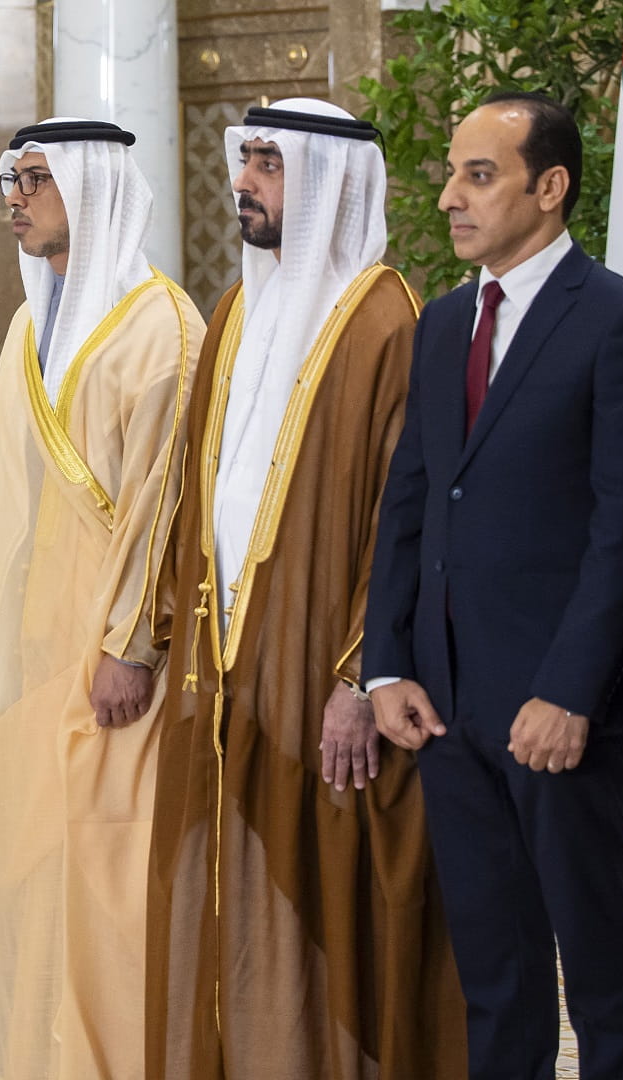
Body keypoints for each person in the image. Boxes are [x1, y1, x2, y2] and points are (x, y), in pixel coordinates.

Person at [145, 99, 466, 1080]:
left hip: (321, 673)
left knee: (326, 892)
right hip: (225, 666)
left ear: (327, 179)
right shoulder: (236, 311)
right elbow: (193, 490)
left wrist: (361, 675)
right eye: (244, 160)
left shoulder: (383, 322)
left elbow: (406, 524)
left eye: (268, 164)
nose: (243, 182)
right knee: (224, 881)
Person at [364, 92, 623, 1080]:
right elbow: (411, 502)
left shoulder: (620, 318)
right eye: (452, 174)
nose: (450, 197)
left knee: (599, 959)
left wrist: (571, 692)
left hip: (555, 711)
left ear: (550, 186)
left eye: (478, 176)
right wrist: (386, 666)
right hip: (444, 705)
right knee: (494, 968)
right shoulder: (446, 321)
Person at [0, 117, 202, 1080]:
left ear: (93, 187)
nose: (14, 198)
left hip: (112, 655)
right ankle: (25, 1052)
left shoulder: (163, 328)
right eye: (12, 179)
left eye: (35, 179)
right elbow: (13, 501)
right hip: (34, 646)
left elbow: (165, 507)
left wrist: (131, 645)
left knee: (111, 865)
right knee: (31, 852)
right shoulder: (28, 326)